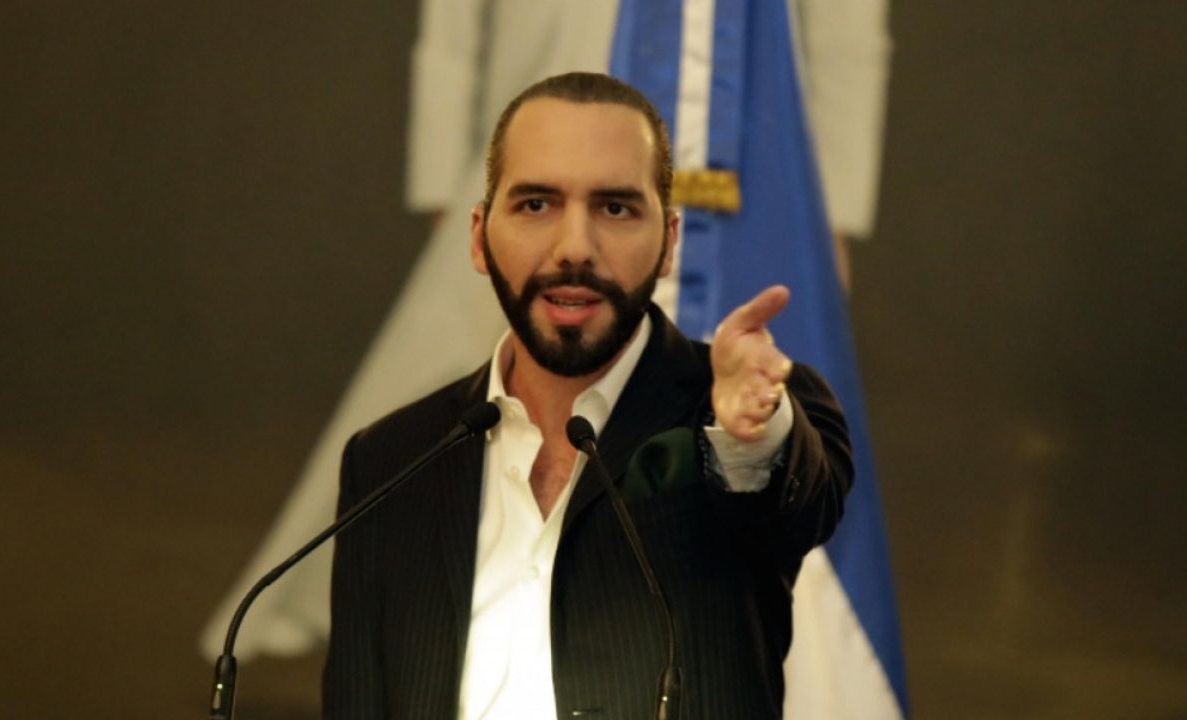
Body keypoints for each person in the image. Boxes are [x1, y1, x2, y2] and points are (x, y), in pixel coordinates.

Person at [323, 72, 853, 719]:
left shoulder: (735, 416)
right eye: (536, 205)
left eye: (615, 209)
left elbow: (787, 508)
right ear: (479, 238)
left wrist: (750, 432)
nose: (574, 248)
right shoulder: (388, 462)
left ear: (669, 243)